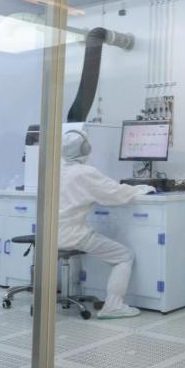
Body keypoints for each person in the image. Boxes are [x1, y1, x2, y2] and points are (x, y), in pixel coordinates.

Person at [59, 129, 155, 319]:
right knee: (124, 256)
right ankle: (113, 306)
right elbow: (115, 194)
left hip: (50, 234)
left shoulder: (56, 171)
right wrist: (141, 189)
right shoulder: (84, 173)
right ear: (86, 149)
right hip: (74, 235)